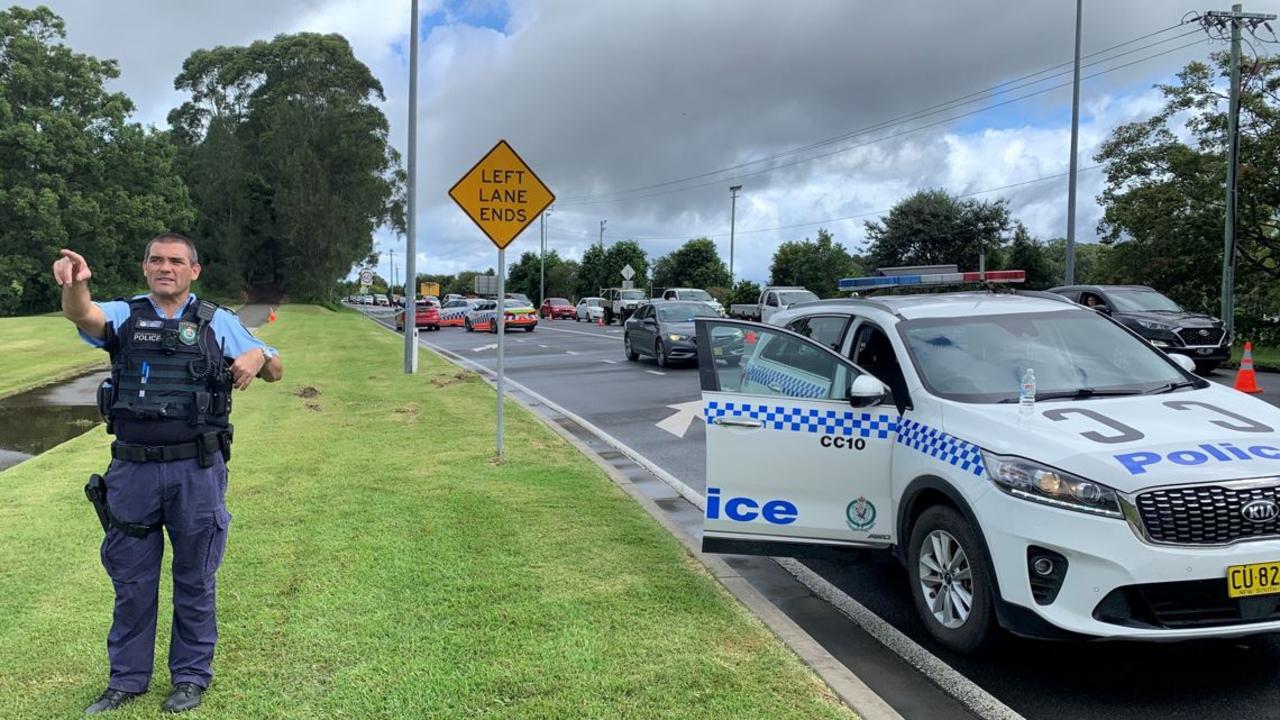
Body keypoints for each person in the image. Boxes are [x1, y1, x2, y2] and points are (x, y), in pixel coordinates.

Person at [53, 234, 283, 714]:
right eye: (156, 260)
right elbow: (82, 313)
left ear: (193, 271)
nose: (166, 267)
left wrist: (260, 354)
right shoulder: (124, 316)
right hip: (132, 473)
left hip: (197, 471)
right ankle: (126, 681)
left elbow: (276, 367)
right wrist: (75, 285)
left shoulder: (217, 321)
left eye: (176, 261)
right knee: (132, 583)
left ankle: (191, 678)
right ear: (145, 268)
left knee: (195, 579)